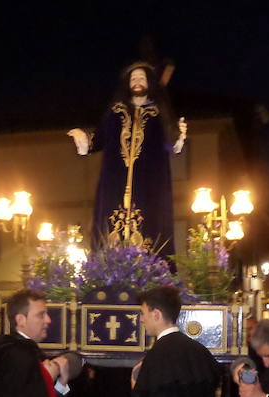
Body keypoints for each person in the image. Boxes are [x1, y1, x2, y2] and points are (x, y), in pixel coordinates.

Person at [68, 62, 187, 255]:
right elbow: (98, 140)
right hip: (115, 182)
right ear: (128, 84)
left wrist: (179, 136)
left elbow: (170, 142)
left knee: (150, 225)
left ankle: (151, 273)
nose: (137, 82)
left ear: (148, 82)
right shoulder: (116, 112)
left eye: (141, 78)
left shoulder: (159, 113)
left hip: (149, 185)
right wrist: (83, 139)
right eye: (133, 78)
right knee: (111, 227)